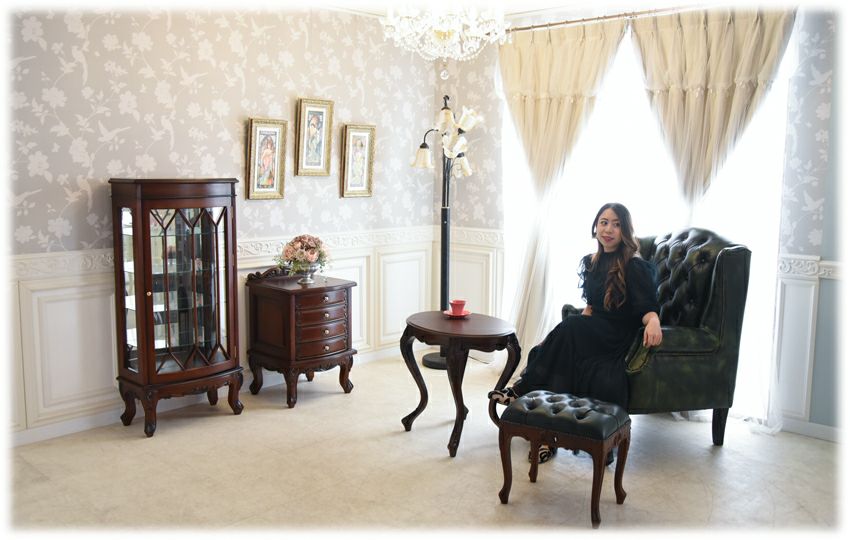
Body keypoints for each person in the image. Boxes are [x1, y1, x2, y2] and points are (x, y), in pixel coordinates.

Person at [489, 202, 663, 463]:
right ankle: (546, 437)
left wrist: (654, 322)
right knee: (555, 347)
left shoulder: (634, 266)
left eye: (616, 225)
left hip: (616, 336)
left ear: (625, 230)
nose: (608, 229)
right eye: (604, 222)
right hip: (593, 331)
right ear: (595, 227)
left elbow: (647, 306)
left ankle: (521, 389)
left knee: (571, 327)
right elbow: (590, 309)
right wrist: (555, 338)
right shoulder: (592, 262)